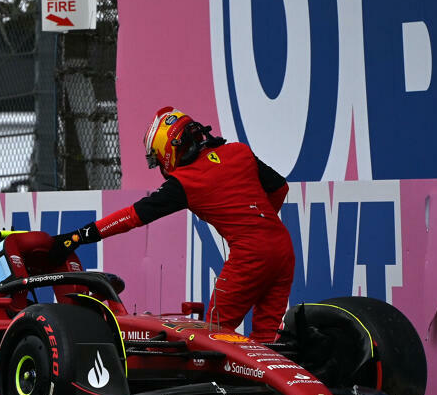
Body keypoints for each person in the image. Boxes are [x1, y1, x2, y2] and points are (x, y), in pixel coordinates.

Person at [53, 106, 295, 343]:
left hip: (250, 254)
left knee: (216, 336)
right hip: (283, 248)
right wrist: (256, 225)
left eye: (157, 159)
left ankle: (217, 384)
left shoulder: (185, 182)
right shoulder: (238, 151)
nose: (159, 165)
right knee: (266, 338)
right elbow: (280, 188)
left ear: (167, 150)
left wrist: (77, 237)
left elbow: (131, 217)